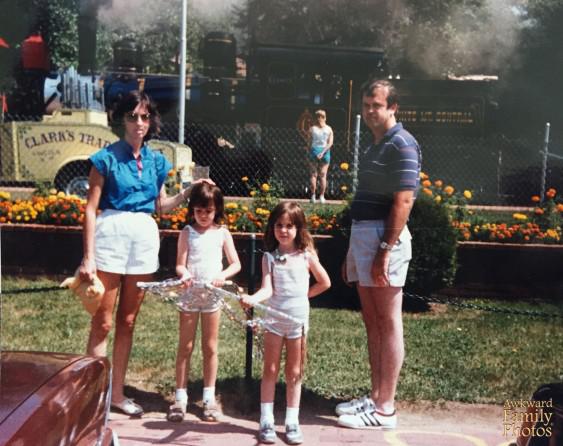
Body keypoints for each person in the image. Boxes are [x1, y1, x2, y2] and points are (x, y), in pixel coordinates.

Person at [79, 90, 198, 417]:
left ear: (152, 122)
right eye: (133, 117)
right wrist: (88, 256)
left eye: (145, 117)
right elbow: (90, 210)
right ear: (123, 120)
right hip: (110, 239)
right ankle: (94, 397)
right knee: (103, 322)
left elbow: (160, 205)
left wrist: (187, 193)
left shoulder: (158, 161)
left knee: (128, 321)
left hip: (143, 241)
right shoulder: (104, 158)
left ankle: (116, 394)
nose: (139, 123)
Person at [336, 79, 421, 430]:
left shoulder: (403, 143)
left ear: (393, 108)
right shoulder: (375, 145)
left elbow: (404, 201)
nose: (371, 111)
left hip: (384, 239)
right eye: (367, 104)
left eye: (378, 105)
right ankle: (375, 396)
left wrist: (385, 249)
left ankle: (386, 408)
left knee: (388, 323)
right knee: (372, 322)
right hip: (364, 234)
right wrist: (353, 251)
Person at [242, 202, 331, 444]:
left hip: (298, 323)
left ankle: (292, 421)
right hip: (274, 321)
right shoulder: (269, 258)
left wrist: (303, 296)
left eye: (289, 226)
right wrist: (252, 299)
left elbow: (325, 282)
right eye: (279, 225)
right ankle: (266, 420)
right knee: (270, 369)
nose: (283, 230)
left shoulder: (306, 256)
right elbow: (267, 289)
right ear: (272, 228)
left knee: (294, 372)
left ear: (299, 229)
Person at [167, 182, 241, 423]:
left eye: (208, 211)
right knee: (185, 347)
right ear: (193, 209)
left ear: (216, 210)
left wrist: (222, 276)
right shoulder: (186, 232)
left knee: (210, 347)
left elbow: (235, 264)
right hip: (189, 296)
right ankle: (180, 398)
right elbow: (180, 263)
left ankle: (209, 397)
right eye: (199, 210)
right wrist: (184, 274)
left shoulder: (222, 233)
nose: (203, 215)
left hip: (212, 297)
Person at [307, 109, 333, 204]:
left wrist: (311, 152)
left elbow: (309, 143)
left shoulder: (312, 129)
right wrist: (323, 152)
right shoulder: (329, 129)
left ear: (315, 118)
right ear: (325, 118)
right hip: (325, 152)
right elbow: (330, 143)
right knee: (323, 176)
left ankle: (313, 196)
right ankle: (322, 197)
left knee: (313, 175)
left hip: (314, 151)